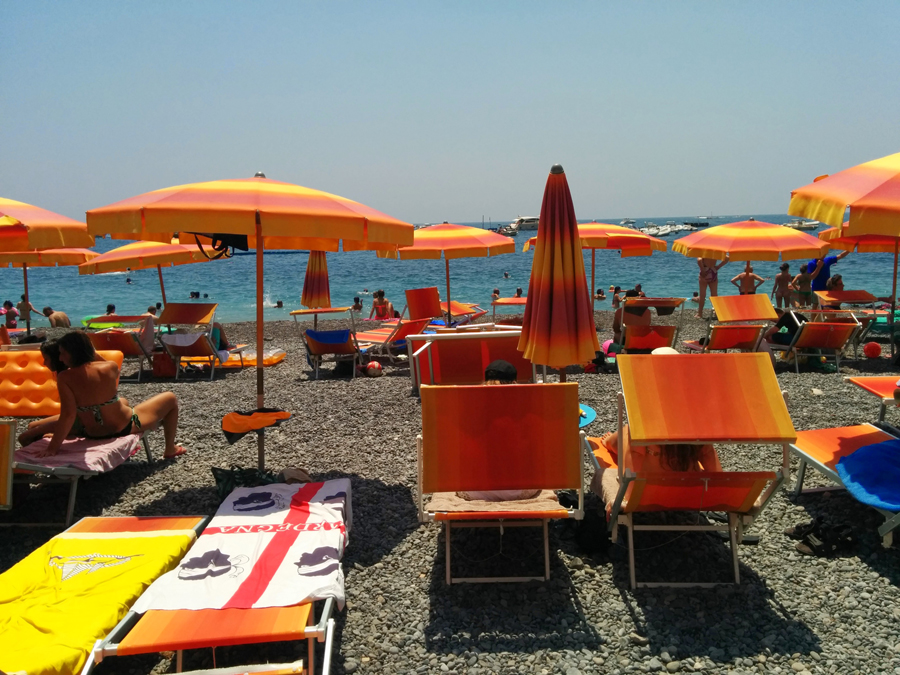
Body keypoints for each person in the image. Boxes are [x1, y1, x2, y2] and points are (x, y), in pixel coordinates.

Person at [18, 331, 185, 458]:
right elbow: (70, 415)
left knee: (122, 402)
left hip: (91, 432)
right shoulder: (109, 367)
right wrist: (90, 349)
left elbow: (68, 415)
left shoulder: (65, 377)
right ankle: (170, 448)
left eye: (63, 353)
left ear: (74, 353)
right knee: (170, 397)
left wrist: (53, 448)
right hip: (124, 426)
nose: (60, 358)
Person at [591, 425, 722, 516]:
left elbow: (633, 467)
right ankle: (611, 441)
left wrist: (628, 501)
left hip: (648, 493)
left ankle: (609, 441)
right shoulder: (698, 427)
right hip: (689, 492)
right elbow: (710, 459)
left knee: (605, 472)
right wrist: (721, 495)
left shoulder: (646, 425)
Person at [458, 360, 540, 502]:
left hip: (476, 490)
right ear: (514, 383)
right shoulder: (528, 412)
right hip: (519, 490)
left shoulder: (469, 413)